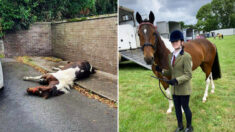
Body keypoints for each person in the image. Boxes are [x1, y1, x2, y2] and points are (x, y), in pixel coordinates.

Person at [155, 30, 193, 132]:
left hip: (184, 88)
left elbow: (188, 75)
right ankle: (180, 125)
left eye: (176, 41)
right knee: (177, 109)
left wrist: (176, 80)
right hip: (175, 89)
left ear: (181, 42)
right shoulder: (170, 56)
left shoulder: (186, 56)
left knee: (185, 107)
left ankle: (189, 126)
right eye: (173, 41)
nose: (174, 43)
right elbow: (171, 72)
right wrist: (161, 71)